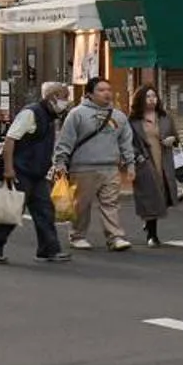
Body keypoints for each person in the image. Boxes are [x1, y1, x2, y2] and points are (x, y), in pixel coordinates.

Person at [0, 81, 70, 265]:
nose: (66, 102)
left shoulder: (49, 116)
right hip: (21, 171)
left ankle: (48, 250)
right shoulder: (31, 113)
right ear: (53, 97)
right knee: (11, 211)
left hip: (37, 172)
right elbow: (10, 140)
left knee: (45, 211)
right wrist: (8, 168)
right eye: (64, 98)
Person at [52, 75, 136, 251]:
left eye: (109, 90)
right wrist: (60, 162)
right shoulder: (77, 114)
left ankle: (115, 237)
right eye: (101, 90)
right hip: (83, 167)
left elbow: (126, 142)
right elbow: (65, 140)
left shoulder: (119, 116)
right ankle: (77, 235)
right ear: (89, 94)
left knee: (111, 204)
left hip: (110, 167)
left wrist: (130, 164)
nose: (107, 93)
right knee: (82, 204)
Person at [129, 86, 179, 246]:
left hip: (163, 161)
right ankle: (152, 234)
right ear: (140, 99)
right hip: (144, 162)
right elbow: (128, 142)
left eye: (154, 96)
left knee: (162, 197)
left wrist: (172, 140)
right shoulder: (133, 121)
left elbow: (176, 138)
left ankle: (148, 221)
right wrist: (138, 156)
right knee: (150, 197)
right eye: (148, 96)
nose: (152, 99)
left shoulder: (165, 117)